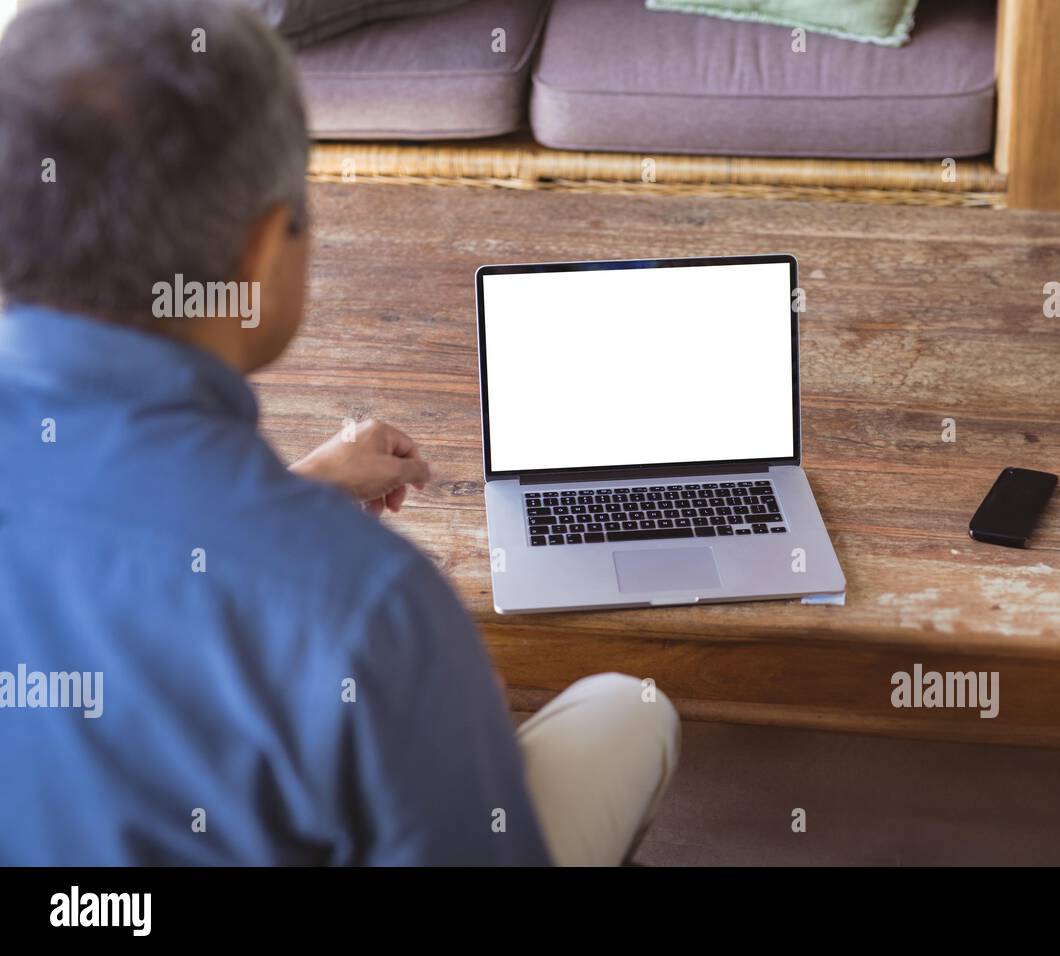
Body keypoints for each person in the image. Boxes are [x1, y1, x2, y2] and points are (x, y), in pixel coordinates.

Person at [0, 0, 678, 866]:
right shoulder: (369, 613)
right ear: (258, 253)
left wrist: (301, 492)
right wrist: (450, 719)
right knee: (630, 708)